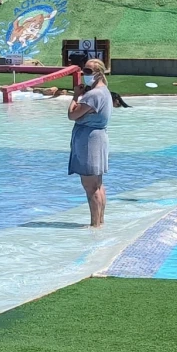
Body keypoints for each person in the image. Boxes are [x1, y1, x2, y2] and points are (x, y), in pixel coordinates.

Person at [67, 58, 112, 228]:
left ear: (98, 73)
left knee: (90, 185)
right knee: (97, 184)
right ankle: (100, 221)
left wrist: (76, 95)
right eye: (83, 70)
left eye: (87, 71)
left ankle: (95, 225)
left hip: (89, 140)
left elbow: (72, 114)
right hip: (98, 138)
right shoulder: (104, 91)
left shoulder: (93, 95)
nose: (83, 74)